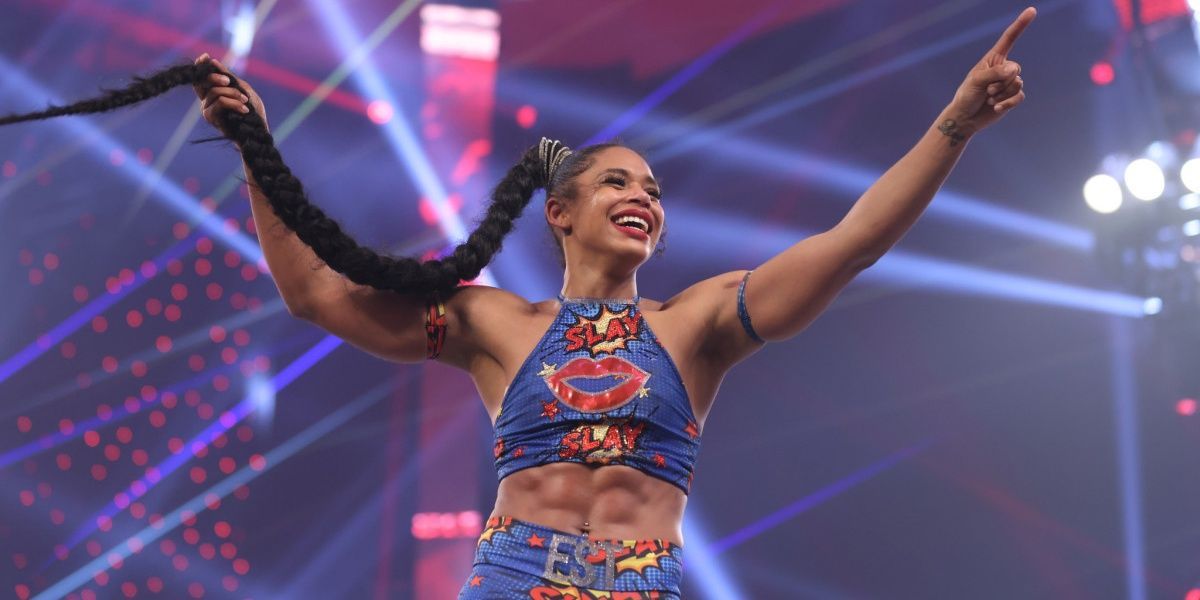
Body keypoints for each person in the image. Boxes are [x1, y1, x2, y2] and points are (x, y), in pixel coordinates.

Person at [0, 7, 1034, 598]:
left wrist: (953, 125)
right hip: (512, 576)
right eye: (621, 182)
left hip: (643, 580)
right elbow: (315, 293)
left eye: (657, 192)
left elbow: (850, 244)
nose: (644, 198)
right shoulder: (493, 322)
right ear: (561, 212)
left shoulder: (702, 320)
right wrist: (252, 146)